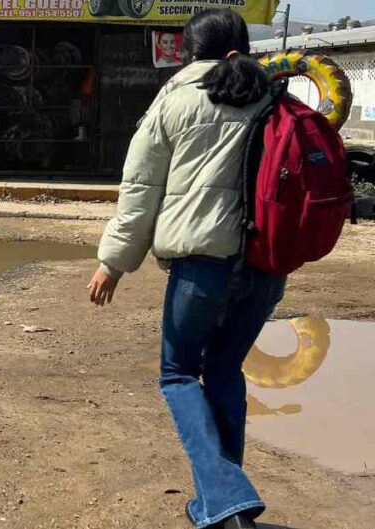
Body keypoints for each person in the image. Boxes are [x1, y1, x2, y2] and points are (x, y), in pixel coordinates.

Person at [86, 9, 280, 529]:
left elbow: (140, 193)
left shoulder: (174, 100)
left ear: (188, 52)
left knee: (178, 375)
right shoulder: (276, 98)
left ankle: (226, 495)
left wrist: (113, 263)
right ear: (241, 45)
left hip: (200, 267)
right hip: (265, 267)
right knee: (223, 370)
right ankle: (222, 503)